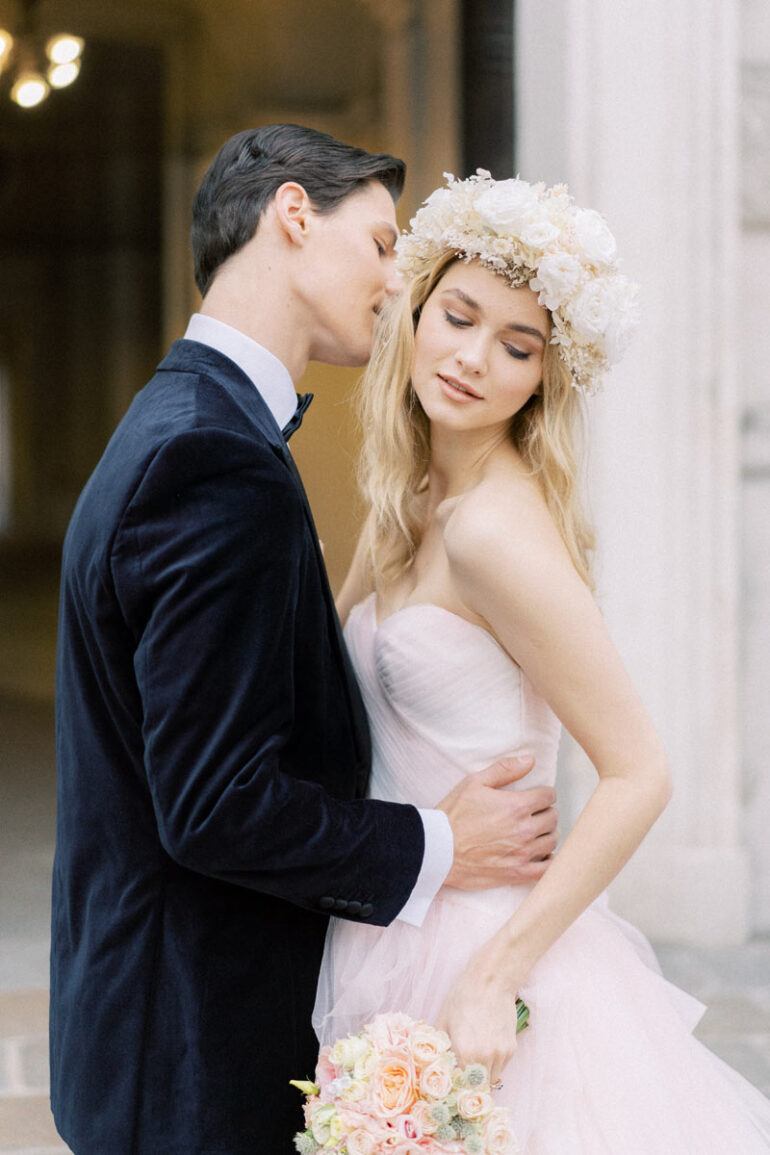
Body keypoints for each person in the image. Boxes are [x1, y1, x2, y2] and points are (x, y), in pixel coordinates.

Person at [50, 127, 561, 1155]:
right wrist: (443, 842)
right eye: (379, 245)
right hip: (190, 1046)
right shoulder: (210, 457)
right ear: (292, 214)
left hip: (162, 1023)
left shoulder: (186, 422)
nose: (392, 286)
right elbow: (214, 805)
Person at [313, 171, 770, 1151]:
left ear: (543, 377)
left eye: (515, 345)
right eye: (459, 317)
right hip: (399, 916)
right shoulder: (409, 501)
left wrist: (493, 976)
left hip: (491, 948)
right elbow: (315, 667)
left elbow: (638, 771)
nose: (472, 358)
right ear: (417, 311)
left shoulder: (492, 533)